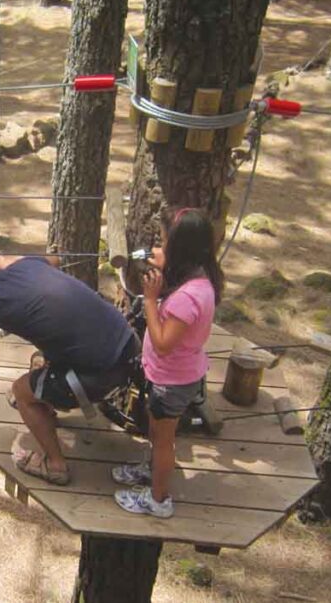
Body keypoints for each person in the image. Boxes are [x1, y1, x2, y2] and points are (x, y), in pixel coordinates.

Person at [0, 247, 137, 485]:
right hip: (128, 343)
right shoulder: (21, 267)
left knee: (21, 392)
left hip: (105, 372)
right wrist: (5, 259)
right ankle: (48, 405)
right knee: (39, 359)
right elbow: (54, 258)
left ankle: (55, 465)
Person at [112, 207, 223, 519]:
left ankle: (158, 500)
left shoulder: (190, 297)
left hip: (172, 381)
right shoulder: (198, 277)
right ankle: (151, 470)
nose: (159, 249)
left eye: (164, 243)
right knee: (156, 431)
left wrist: (149, 299)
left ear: (182, 249)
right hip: (168, 376)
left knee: (164, 441)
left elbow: (162, 344)